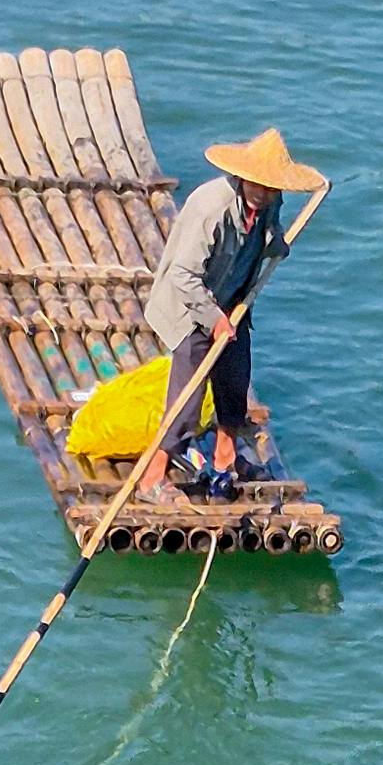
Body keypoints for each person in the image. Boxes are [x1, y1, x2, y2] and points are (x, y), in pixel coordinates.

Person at [142, 124, 323, 495]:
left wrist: (277, 246)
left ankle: (226, 459)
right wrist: (213, 319)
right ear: (242, 178)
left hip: (233, 302)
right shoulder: (212, 208)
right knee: (187, 396)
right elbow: (182, 274)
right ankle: (154, 475)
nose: (264, 193)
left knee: (234, 381)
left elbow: (268, 238)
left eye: (272, 188)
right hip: (189, 306)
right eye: (258, 185)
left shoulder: (268, 202)